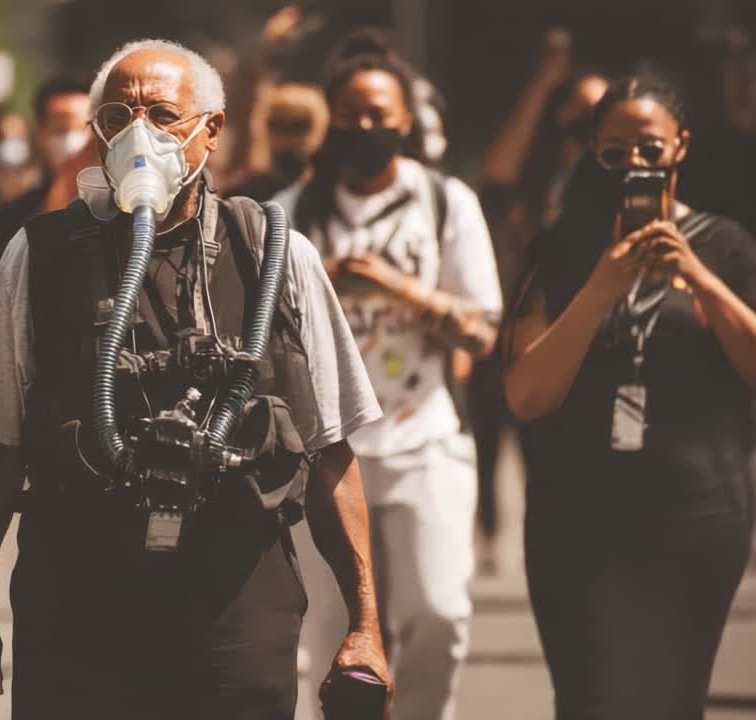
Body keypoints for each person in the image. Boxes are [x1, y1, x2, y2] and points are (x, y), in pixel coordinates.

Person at [0, 39, 389, 720]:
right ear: (95, 135)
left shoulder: (274, 253)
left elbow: (330, 449)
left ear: (212, 127)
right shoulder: (39, 255)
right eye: (117, 115)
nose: (139, 133)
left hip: (235, 602)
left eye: (163, 113)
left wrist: (366, 624)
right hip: (78, 602)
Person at [503, 74, 756, 720]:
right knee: (590, 702)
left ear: (682, 147)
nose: (635, 165)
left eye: (650, 148)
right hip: (577, 522)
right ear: (592, 152)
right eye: (615, 152)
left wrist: (696, 276)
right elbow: (527, 394)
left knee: (673, 705)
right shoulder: (561, 250)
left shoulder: (726, 246)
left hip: (696, 516)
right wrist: (601, 287)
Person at [273, 30, 502, 720]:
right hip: (326, 456)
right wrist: (326, 287)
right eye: (350, 113)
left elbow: (483, 330)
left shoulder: (445, 202)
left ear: (408, 120)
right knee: (326, 635)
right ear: (328, 120)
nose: (366, 126)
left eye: (380, 113)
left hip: (423, 437)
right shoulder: (291, 214)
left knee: (438, 616)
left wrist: (400, 290)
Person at [473, 32, 608, 557]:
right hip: (520, 326)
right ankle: (493, 525)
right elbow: (497, 174)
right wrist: (544, 87)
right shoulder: (538, 181)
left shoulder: (617, 183)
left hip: (588, 335)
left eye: (596, 115)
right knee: (494, 427)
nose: (583, 126)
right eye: (574, 115)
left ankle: (572, 537)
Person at [0, 75, 94, 307]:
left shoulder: (124, 208)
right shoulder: (12, 217)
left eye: (83, 128)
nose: (72, 141)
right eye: (60, 129)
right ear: (40, 131)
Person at [225, 82, 329, 202]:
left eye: (298, 126)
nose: (288, 137)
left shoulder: (330, 195)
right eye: (279, 124)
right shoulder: (241, 195)